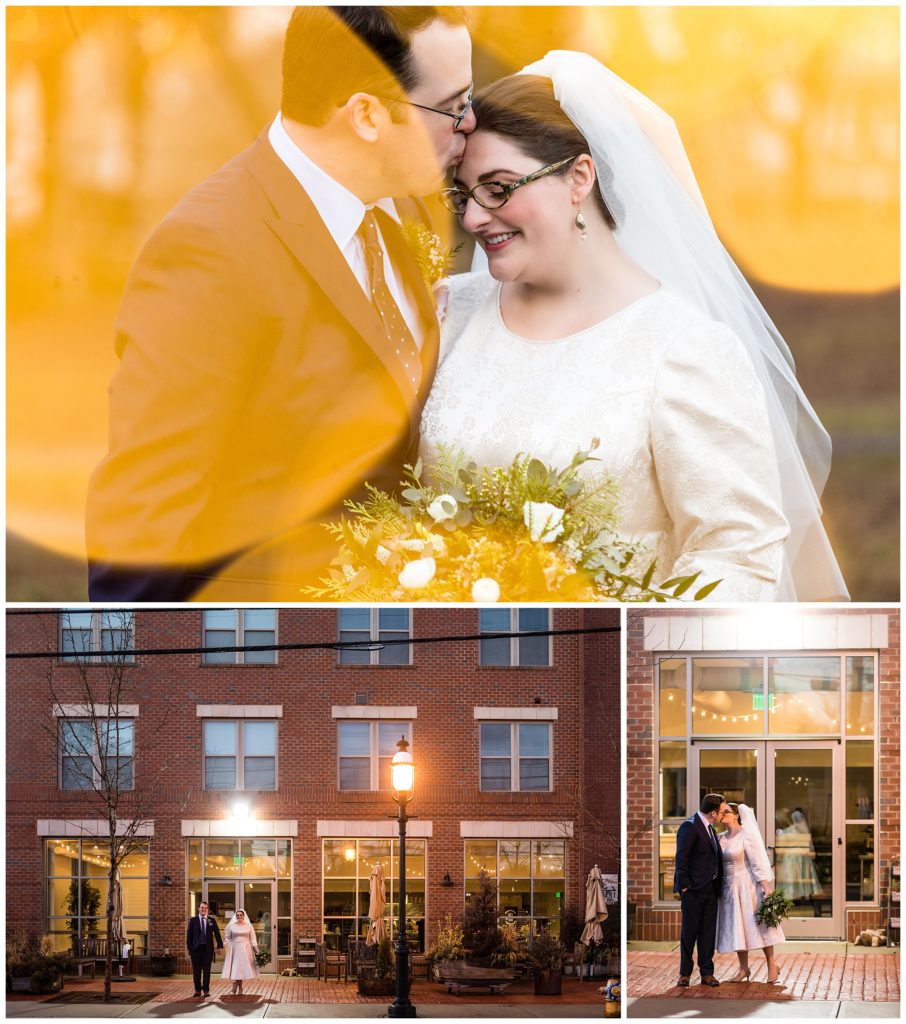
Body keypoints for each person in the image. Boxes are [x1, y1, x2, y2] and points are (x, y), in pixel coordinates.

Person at [420, 51, 848, 602]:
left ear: (579, 176)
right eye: (463, 193)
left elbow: (738, 553)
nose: (474, 217)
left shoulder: (685, 350)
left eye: (498, 188)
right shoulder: (449, 312)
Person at [86, 6, 475, 600]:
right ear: (366, 115)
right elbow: (143, 529)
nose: (470, 123)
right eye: (451, 106)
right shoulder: (208, 251)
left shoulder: (408, 204)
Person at [716, 802, 784, 983]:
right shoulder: (720, 837)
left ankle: (771, 965)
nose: (722, 815)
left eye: (726, 812)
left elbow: (757, 862)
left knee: (760, 926)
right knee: (738, 927)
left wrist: (766, 887)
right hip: (729, 888)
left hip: (748, 886)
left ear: (736, 815)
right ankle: (743, 968)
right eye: (721, 812)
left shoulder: (746, 835)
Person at [673, 794, 727, 987]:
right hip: (693, 890)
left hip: (711, 889)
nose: (723, 815)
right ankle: (684, 974)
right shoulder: (690, 826)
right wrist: (685, 886)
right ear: (713, 813)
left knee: (707, 933)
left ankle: (707, 973)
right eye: (722, 811)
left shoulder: (710, 829)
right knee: (689, 933)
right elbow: (681, 859)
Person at [775, 808, 824, 899]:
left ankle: (792, 896)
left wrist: (779, 858)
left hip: (791, 858)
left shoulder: (787, 831)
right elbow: (809, 846)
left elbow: (782, 845)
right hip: (801, 857)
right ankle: (803, 895)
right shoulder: (803, 831)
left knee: (792, 878)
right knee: (801, 878)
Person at [186, 901, 224, 999]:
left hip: (208, 950)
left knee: (207, 971)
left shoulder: (211, 920)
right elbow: (189, 936)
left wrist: (220, 946)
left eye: (206, 908)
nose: (204, 909)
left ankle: (206, 990)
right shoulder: (193, 921)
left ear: (207, 909)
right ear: (198, 908)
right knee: (197, 971)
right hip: (196, 950)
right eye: (202, 908)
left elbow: (217, 934)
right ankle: (197, 990)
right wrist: (190, 949)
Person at [222, 909, 260, 996]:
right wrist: (222, 947)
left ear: (244, 916)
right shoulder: (231, 926)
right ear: (235, 916)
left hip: (246, 949)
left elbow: (253, 939)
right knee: (237, 968)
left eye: (241, 915)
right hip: (235, 949)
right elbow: (227, 938)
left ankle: (236, 984)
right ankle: (240, 987)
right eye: (237, 915)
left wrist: (257, 951)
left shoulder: (249, 926)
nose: (239, 917)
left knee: (241, 969)